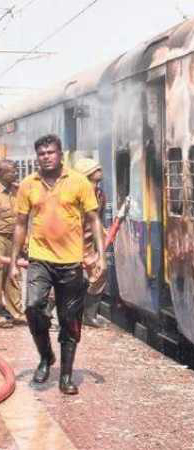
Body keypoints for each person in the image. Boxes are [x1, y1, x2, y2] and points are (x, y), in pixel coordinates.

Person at [8, 134, 105, 395]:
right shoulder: (28, 184)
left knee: (70, 320)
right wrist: (14, 262)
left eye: (51, 152)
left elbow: (94, 219)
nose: (46, 156)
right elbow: (20, 224)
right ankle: (45, 356)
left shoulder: (78, 182)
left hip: (71, 262)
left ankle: (66, 376)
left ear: (60, 154)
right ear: (37, 156)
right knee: (32, 307)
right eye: (41, 153)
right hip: (39, 258)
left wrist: (101, 256)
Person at [73, 158, 107, 328]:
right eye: (96, 169)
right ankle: (48, 314)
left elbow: (98, 219)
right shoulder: (76, 194)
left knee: (99, 276)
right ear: (87, 173)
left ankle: (89, 316)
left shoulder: (100, 194)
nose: (100, 170)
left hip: (88, 243)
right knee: (65, 279)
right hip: (71, 242)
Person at [0, 160, 24, 328]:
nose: (15, 174)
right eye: (12, 172)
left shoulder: (17, 192)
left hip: (14, 239)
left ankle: (16, 313)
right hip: (0, 238)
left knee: (14, 276)